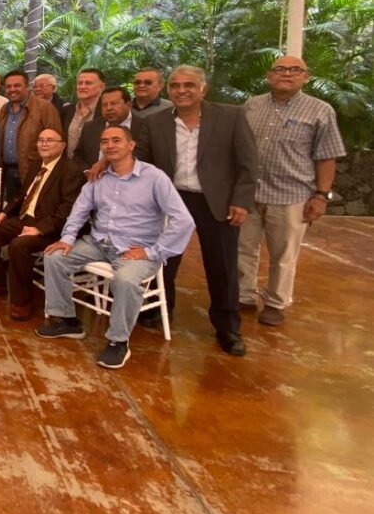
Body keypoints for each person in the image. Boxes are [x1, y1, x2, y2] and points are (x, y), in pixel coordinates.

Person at [36, 126, 195, 369]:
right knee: (54, 256)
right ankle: (68, 321)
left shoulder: (154, 178)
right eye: (105, 141)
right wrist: (67, 238)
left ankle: (118, 342)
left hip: (137, 248)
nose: (110, 145)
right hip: (99, 242)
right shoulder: (98, 177)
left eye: (116, 140)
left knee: (125, 280)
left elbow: (184, 221)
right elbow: (79, 210)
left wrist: (152, 251)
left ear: (131, 145)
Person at [135, 65, 258, 357]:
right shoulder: (155, 122)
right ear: (168, 90)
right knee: (164, 260)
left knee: (222, 265)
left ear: (203, 89)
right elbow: (141, 161)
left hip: (215, 201)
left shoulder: (231, 117)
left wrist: (241, 201)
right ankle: (160, 309)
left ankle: (227, 327)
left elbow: (248, 163)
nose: (181, 91)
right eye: (175, 86)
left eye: (189, 85)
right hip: (171, 200)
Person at [239, 55, 345, 326]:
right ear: (269, 76)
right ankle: (243, 296)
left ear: (305, 77)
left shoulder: (320, 110)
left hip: (291, 196)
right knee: (243, 248)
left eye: (295, 70)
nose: (286, 74)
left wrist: (321, 196)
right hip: (250, 193)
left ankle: (275, 302)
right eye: (280, 69)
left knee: (284, 255)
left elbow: (327, 156)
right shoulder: (252, 105)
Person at [0, 130, 85, 320]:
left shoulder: (71, 171)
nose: (44, 144)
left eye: (50, 140)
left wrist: (40, 229)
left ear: (63, 145)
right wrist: (5, 213)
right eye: (41, 140)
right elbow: (22, 194)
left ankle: (22, 302)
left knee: (19, 245)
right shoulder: (37, 165)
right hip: (25, 218)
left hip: (51, 227)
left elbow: (68, 208)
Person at [0, 70, 62, 204]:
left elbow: (56, 141)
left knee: (32, 210)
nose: (12, 89)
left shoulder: (44, 107)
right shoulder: (4, 109)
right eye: (8, 86)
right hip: (8, 171)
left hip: (33, 171)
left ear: (27, 87)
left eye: (17, 85)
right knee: (11, 210)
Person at [74, 86, 141, 171]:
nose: (109, 108)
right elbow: (78, 155)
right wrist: (87, 172)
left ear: (129, 105)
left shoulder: (143, 125)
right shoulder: (90, 127)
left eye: (114, 104)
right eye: (105, 105)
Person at [61, 68, 105, 158]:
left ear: (101, 86)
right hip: (68, 164)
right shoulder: (66, 110)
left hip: (94, 165)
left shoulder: (106, 112)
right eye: (79, 83)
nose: (82, 87)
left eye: (88, 83)